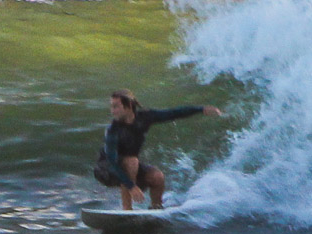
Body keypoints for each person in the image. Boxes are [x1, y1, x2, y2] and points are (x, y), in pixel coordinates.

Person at [92, 89, 223, 210]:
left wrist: (201, 109)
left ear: (129, 106)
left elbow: (173, 113)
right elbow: (112, 161)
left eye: (116, 106)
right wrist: (131, 186)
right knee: (132, 161)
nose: (112, 111)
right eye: (112, 106)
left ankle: (156, 209)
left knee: (157, 177)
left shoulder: (145, 118)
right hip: (106, 169)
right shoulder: (113, 130)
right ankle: (127, 210)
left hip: (130, 167)